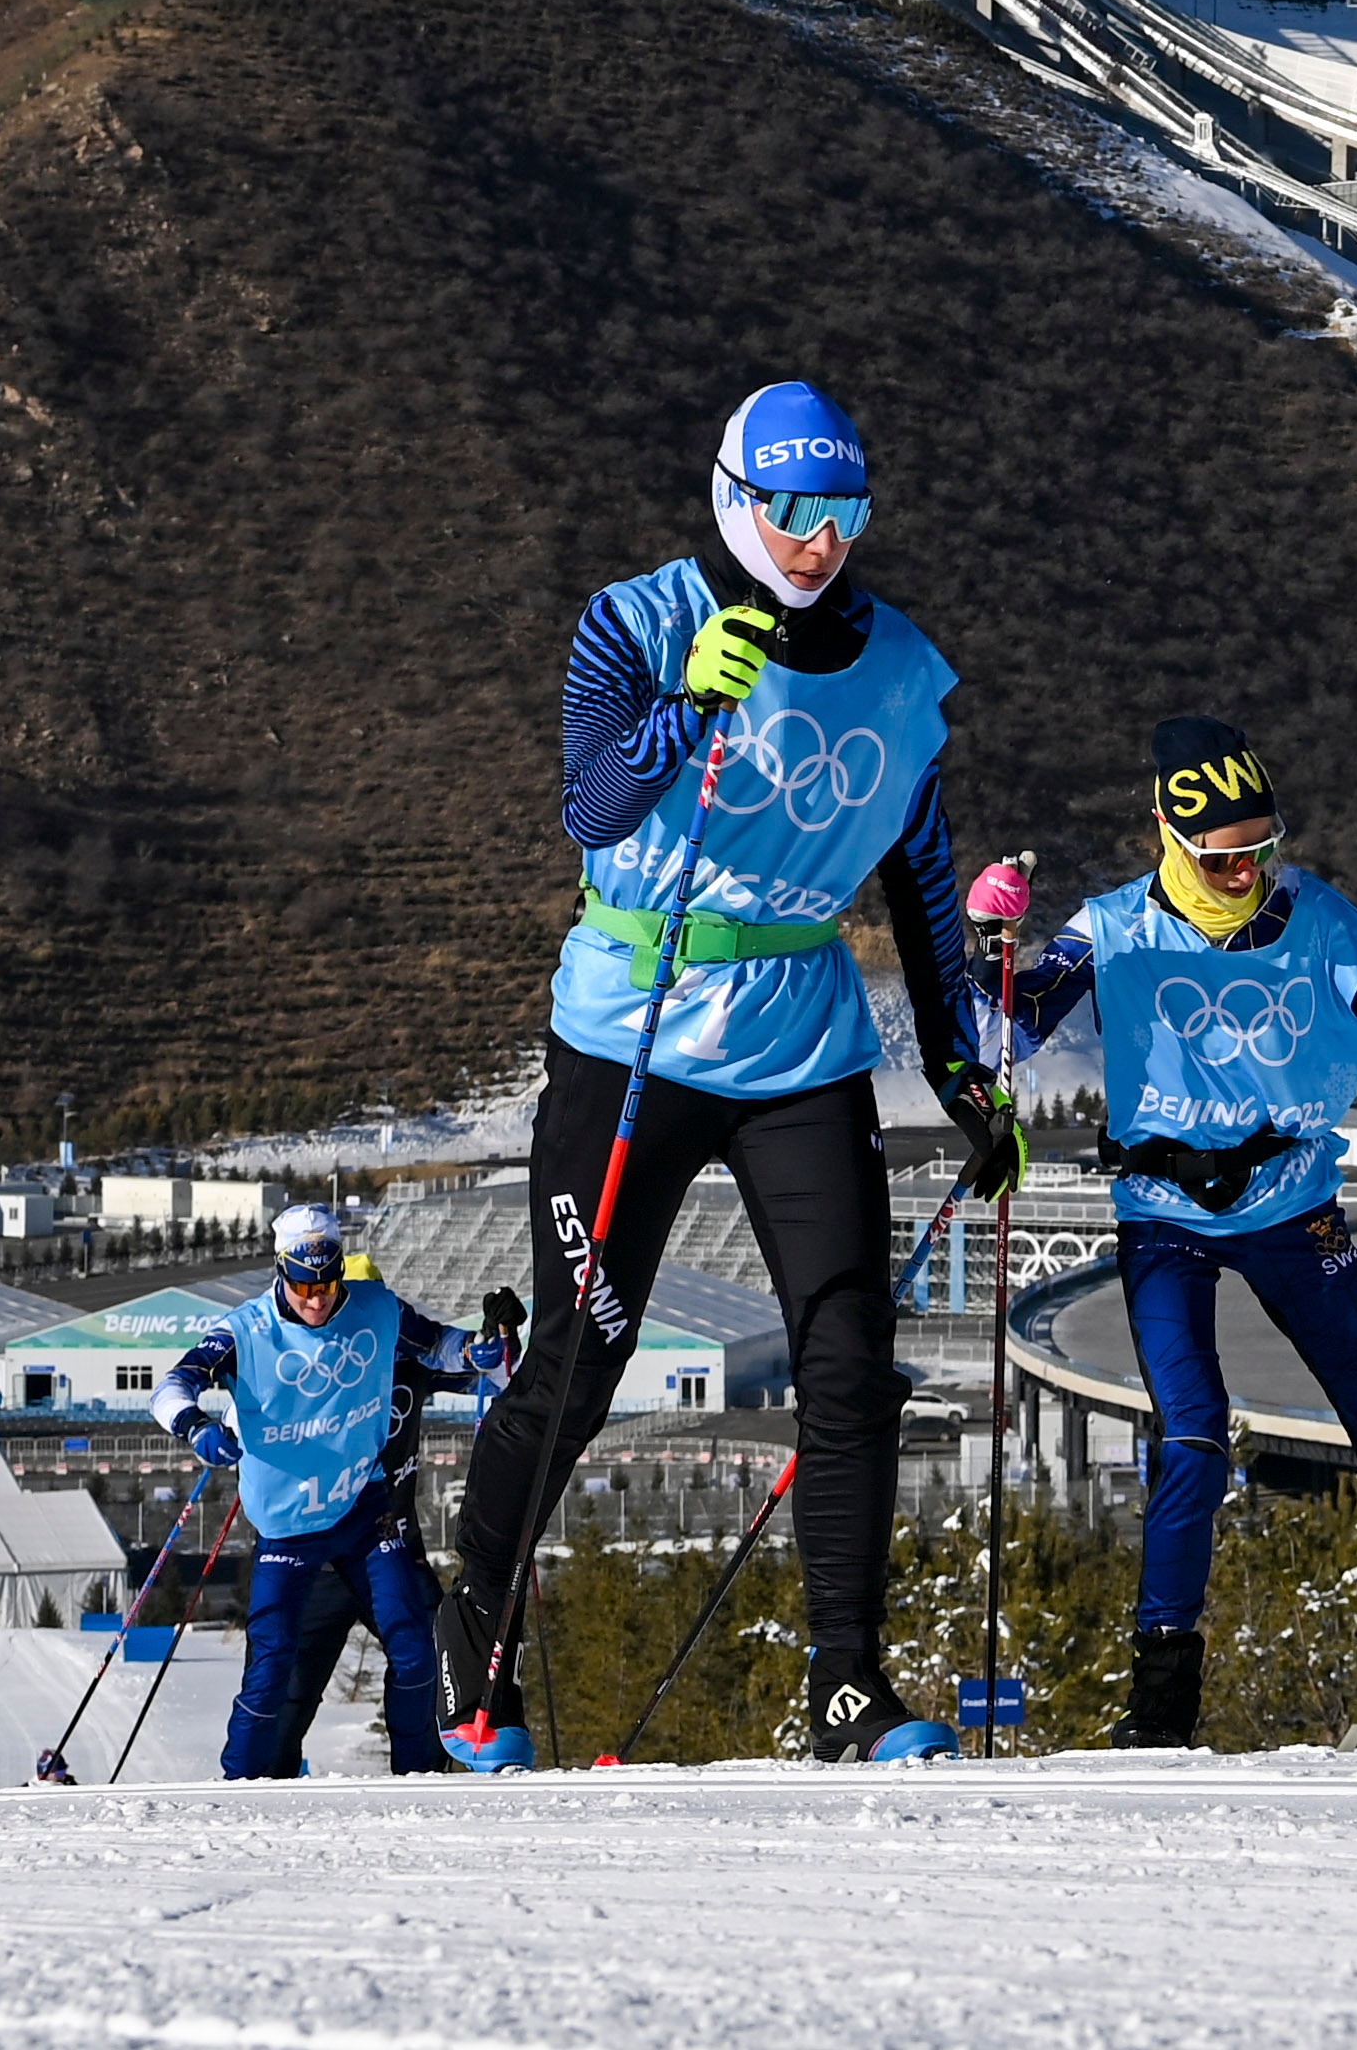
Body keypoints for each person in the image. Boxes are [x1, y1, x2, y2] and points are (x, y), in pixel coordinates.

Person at [436, 380, 1009, 1771]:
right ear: (731, 499)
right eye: (791, 513)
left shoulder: (900, 668)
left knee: (846, 1358)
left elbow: (922, 876)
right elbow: (590, 805)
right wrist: (685, 709)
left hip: (799, 1039)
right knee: (583, 1356)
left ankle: (844, 1682)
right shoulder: (634, 624)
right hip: (631, 1026)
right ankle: (475, 1634)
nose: (817, 542)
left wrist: (960, 1070)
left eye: (843, 515)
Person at [988, 716, 1357, 1750]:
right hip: (1166, 1217)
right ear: (1167, 842)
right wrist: (993, 960)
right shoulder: (1113, 927)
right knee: (1193, 1433)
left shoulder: (1317, 918)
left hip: (1293, 1207)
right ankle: (1162, 1705)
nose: (1245, 875)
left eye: (1262, 850)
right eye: (1222, 859)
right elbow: (1004, 1028)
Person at [158, 1205, 511, 1780]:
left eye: (326, 1282)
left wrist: (478, 1351)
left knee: (417, 1644)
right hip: (288, 1529)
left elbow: (439, 1345)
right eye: (302, 1284)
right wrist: (195, 1427)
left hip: (362, 1512)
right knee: (272, 1670)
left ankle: (418, 1779)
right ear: (280, 1271)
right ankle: (238, 1783)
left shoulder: (374, 1306)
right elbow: (173, 1385)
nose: (316, 1298)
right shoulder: (244, 1331)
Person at [280, 1259, 522, 1767]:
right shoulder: (303, 1364)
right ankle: (263, 1786)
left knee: (433, 1661)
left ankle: (424, 1779)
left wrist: (502, 1335)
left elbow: (497, 1376)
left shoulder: (404, 1356)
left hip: (393, 1549)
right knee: (287, 1687)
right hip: (314, 1558)